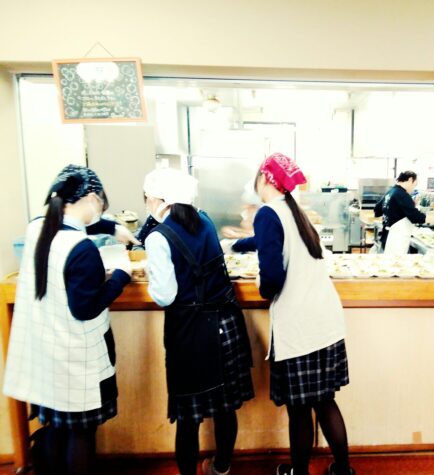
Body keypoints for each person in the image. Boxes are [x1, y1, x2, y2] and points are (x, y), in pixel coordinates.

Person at [228, 153, 355, 475]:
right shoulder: (292, 210)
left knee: (299, 409)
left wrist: (262, 286)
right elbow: (272, 241)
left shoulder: (268, 213)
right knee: (325, 401)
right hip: (325, 322)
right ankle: (343, 470)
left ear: (265, 179)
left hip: (301, 327)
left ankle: (299, 472)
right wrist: (237, 245)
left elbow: (272, 278)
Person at [3, 164, 134, 475]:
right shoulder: (81, 248)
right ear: (91, 198)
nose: (100, 210)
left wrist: (110, 227)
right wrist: (121, 276)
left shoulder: (37, 229)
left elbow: (71, 229)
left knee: (56, 426)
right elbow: (86, 308)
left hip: (46, 354)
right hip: (76, 359)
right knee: (80, 433)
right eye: (101, 203)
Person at [143, 168, 254, 475]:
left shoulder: (158, 238)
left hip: (191, 333)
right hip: (225, 324)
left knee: (189, 418)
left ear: (159, 199)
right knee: (225, 407)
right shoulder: (204, 220)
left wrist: (153, 275)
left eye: (147, 197)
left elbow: (165, 295)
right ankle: (221, 467)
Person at [374, 171, 434, 254]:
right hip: (397, 239)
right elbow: (415, 217)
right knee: (397, 261)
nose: (413, 188)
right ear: (410, 179)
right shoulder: (402, 194)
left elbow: (377, 211)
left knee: (390, 260)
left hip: (387, 236)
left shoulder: (391, 192)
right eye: (414, 185)